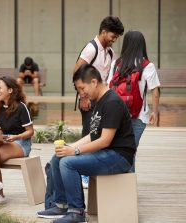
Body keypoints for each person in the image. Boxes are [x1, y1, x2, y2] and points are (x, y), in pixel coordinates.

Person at [37, 64, 135, 223]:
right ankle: (62, 205)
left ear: (94, 82)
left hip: (119, 157)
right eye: (79, 90)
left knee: (68, 163)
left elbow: (105, 140)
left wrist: (74, 151)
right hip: (106, 153)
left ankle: (77, 212)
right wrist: (70, 147)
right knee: (58, 158)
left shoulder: (112, 102)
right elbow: (93, 135)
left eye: (82, 88)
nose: (82, 93)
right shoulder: (99, 101)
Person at [73, 16, 124, 188]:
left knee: (97, 134)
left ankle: (89, 171)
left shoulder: (110, 52)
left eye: (117, 37)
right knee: (88, 132)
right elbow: (77, 73)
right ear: (103, 31)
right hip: (89, 98)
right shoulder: (91, 48)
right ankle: (83, 173)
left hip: (102, 99)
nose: (114, 39)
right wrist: (84, 97)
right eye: (113, 35)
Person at [107, 30, 160, 171]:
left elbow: (108, 87)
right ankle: (127, 187)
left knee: (121, 150)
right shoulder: (147, 65)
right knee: (130, 151)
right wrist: (154, 112)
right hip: (139, 115)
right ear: (142, 45)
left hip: (117, 115)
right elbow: (155, 91)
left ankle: (124, 186)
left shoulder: (116, 64)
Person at [0, 76, 34, 205]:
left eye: (0, 87)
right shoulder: (0, 109)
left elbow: (30, 132)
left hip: (21, 143)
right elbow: (1, 131)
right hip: (6, 140)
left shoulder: (22, 108)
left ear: (10, 90)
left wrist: (16, 137)